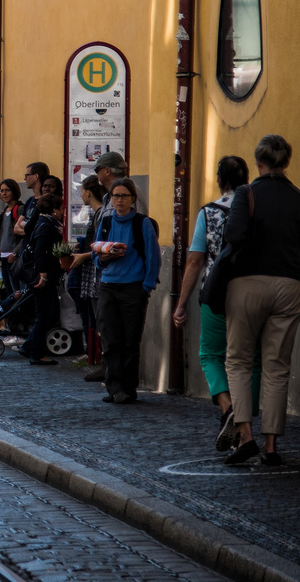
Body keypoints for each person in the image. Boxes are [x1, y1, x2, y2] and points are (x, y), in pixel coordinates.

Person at [223, 135, 300, 466]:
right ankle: (271, 446)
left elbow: (233, 236)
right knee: (277, 366)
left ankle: (246, 436)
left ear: (259, 162)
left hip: (248, 283)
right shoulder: (298, 197)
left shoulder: (247, 192)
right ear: (286, 163)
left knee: (239, 359)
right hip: (290, 284)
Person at [174, 155, 256, 452]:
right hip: (253, 292)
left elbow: (195, 261)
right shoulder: (256, 208)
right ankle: (246, 419)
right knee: (252, 360)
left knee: (211, 355)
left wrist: (181, 303)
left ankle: (228, 406)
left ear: (219, 180)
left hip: (216, 292)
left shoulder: (209, 212)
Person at [93, 176, 162, 404]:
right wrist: (104, 257)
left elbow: (153, 256)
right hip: (109, 286)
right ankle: (114, 389)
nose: (119, 200)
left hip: (134, 288)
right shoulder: (106, 223)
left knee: (130, 340)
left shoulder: (142, 223)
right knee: (110, 339)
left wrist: (146, 286)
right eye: (115, 196)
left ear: (132, 198)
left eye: (124, 196)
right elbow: (96, 256)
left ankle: (129, 388)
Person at [21, 176, 66, 365]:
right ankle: (36, 354)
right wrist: (43, 275)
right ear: (55, 209)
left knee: (44, 314)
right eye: (62, 208)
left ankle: (29, 347)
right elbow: (40, 252)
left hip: (42, 276)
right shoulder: (47, 226)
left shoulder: (44, 223)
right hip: (41, 278)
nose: (63, 211)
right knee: (43, 315)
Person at [73, 176, 108, 382]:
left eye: (82, 190)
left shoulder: (99, 214)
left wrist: (83, 256)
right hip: (91, 270)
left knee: (100, 319)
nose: (80, 194)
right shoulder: (96, 213)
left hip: (96, 273)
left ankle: (105, 364)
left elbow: (100, 245)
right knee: (95, 317)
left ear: (88, 192)